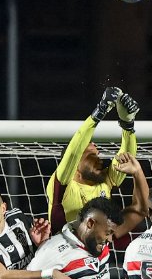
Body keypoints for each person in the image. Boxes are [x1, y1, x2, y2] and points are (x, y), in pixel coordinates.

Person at [47, 87, 140, 232]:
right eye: (91, 157)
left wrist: (127, 125)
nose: (99, 161)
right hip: (66, 253)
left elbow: (126, 159)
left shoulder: (105, 183)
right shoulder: (63, 187)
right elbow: (72, 153)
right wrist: (99, 111)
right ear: (75, 165)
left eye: (98, 156)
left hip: (98, 253)